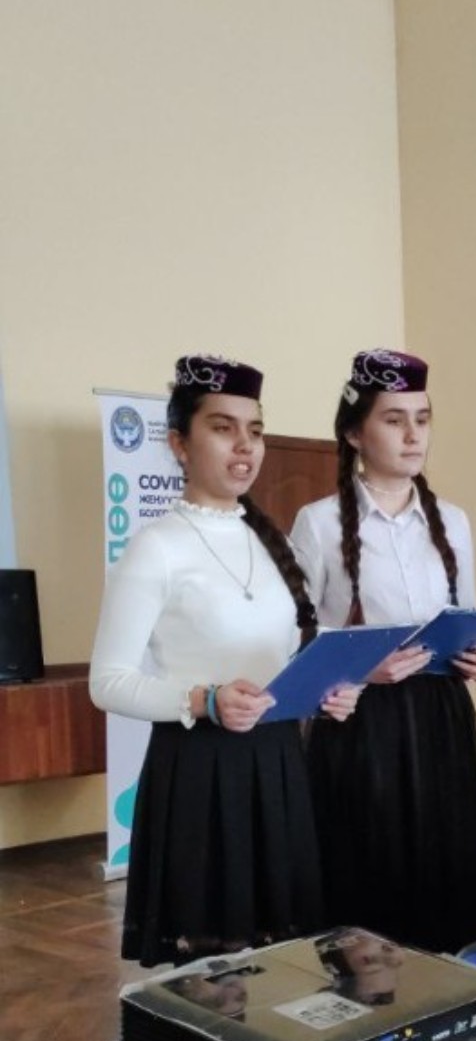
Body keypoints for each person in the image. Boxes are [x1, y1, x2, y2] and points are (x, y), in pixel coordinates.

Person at [90, 353, 358, 966]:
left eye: (255, 430)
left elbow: (288, 654)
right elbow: (107, 682)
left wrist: (327, 689)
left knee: (283, 960)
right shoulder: (155, 547)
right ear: (179, 444)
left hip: (280, 763)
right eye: (222, 427)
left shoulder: (272, 540)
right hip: (200, 771)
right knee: (215, 971)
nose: (244, 445)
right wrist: (202, 699)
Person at [290, 347, 476, 952]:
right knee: (373, 868)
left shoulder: (453, 521)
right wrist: (366, 668)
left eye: (423, 418)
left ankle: (455, 986)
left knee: (448, 862)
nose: (414, 435)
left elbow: (466, 615)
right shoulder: (319, 523)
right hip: (362, 723)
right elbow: (298, 639)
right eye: (394, 420)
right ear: (353, 433)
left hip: (441, 716)